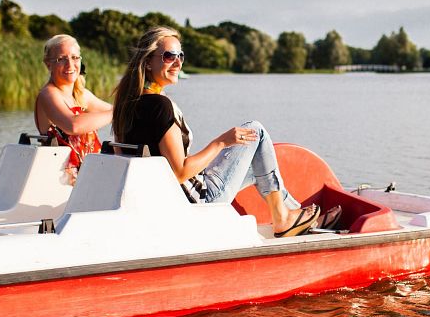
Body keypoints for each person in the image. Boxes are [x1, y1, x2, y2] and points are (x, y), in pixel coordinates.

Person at [111, 26, 320, 237]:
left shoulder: (128, 105)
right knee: (256, 131)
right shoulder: (159, 106)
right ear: (148, 62)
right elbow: (180, 171)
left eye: (180, 55)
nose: (178, 62)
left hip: (166, 197)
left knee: (258, 165)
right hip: (198, 200)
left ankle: (296, 216)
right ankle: (285, 218)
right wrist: (221, 142)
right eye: (169, 56)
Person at [35, 34, 114, 184]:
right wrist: (116, 113)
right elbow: (73, 125)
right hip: (62, 182)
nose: (70, 65)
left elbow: (116, 110)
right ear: (48, 64)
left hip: (89, 176)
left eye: (75, 58)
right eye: (61, 59)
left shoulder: (81, 94)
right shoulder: (48, 94)